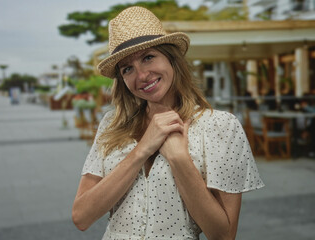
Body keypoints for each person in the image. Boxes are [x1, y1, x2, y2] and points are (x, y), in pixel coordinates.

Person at [72, 6, 264, 240]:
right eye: (128, 68)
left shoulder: (220, 126)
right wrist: (142, 149)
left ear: (172, 59)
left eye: (149, 57)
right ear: (122, 80)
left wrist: (179, 158)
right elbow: (81, 217)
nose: (142, 75)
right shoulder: (112, 125)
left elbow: (223, 236)